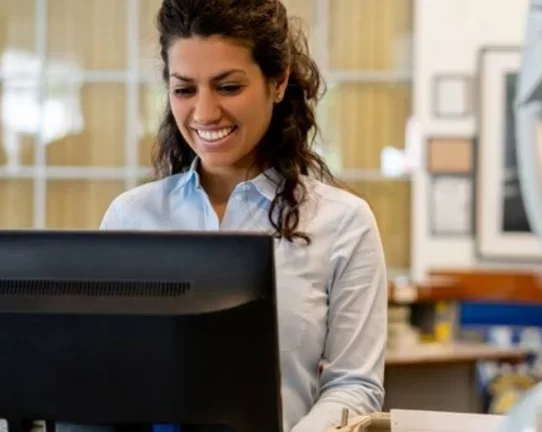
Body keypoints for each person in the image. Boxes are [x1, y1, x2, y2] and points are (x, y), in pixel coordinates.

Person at [97, 0, 388, 431]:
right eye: (184, 89)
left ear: (278, 81)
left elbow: (354, 385)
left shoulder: (344, 223)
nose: (204, 113)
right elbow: (100, 375)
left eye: (228, 87)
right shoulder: (130, 217)